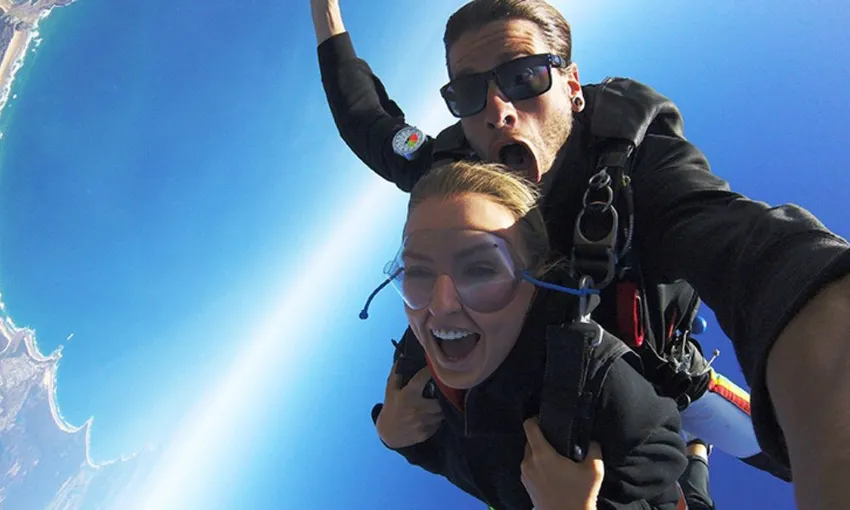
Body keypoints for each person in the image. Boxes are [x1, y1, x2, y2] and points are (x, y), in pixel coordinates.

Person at [312, 0, 850, 507]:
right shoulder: (451, 169)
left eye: (524, 77)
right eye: (470, 93)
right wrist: (324, 12)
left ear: (572, 85)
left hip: (664, 375)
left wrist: (821, 309)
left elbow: (756, 250)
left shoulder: (635, 169)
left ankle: (697, 449)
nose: (498, 110)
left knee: (780, 445)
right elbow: (373, 127)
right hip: (573, 396)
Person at [376, 159, 690, 510]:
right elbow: (450, 455)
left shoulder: (588, 381)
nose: (440, 305)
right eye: (419, 271)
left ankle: (700, 460)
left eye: (479, 268)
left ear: (538, 281)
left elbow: (662, 457)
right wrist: (392, 434)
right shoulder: (414, 364)